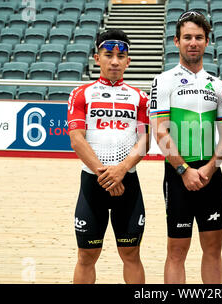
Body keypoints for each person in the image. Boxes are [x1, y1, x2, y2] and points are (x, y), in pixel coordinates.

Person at [150, 10, 222, 284]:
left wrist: (209, 167)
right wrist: (184, 170)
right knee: (176, 251)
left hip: (211, 175)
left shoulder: (218, 86)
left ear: (207, 42)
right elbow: (159, 131)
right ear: (176, 41)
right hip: (177, 174)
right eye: (187, 37)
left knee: (213, 249)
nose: (193, 42)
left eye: (198, 37)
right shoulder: (162, 80)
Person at [67, 29, 150, 284]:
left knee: (131, 253)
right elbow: (76, 138)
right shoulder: (81, 93)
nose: (114, 60)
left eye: (120, 55)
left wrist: (121, 170)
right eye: (108, 55)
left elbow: (145, 140)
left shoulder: (140, 97)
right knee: (86, 255)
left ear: (128, 61)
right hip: (94, 183)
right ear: (96, 58)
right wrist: (107, 175)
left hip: (128, 183)